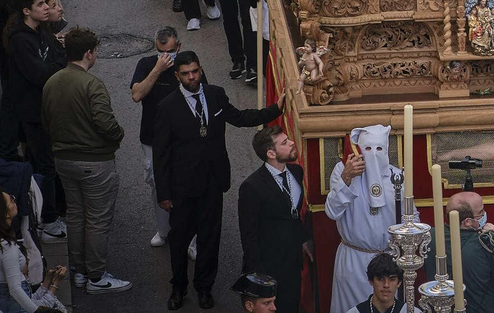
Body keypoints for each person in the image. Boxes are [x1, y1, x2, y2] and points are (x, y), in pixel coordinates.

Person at [153, 50, 284, 310]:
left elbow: (240, 117)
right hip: (181, 188)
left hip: (213, 183)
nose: (193, 77)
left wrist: (274, 110)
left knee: (210, 239)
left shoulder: (215, 95)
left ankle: (204, 288)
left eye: (196, 71)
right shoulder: (167, 107)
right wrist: (164, 194)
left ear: (200, 69)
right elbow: (161, 155)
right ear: (177, 76)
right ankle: (178, 288)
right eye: (187, 74)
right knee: (179, 242)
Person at [40, 27, 129, 294]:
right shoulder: (92, 84)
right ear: (89, 53)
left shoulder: (52, 81)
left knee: (76, 216)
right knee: (98, 220)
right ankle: (97, 276)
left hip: (63, 160)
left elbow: (46, 120)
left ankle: (79, 271)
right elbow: (105, 122)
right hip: (95, 162)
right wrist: (118, 135)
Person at [5, 0, 66, 238]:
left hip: (45, 109)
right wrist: (58, 64)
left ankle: (51, 212)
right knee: (45, 166)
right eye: (40, 5)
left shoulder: (40, 32)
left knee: (48, 163)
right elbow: (41, 74)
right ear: (26, 10)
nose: (46, 9)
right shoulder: (21, 40)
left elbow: (57, 57)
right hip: (32, 114)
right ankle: (47, 221)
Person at [326, 126, 402, 313]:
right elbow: (332, 212)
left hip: (388, 260)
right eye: (367, 149)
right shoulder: (342, 171)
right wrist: (347, 178)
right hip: (355, 260)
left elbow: (410, 214)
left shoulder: (397, 176)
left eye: (379, 149)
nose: (373, 154)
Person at [238, 127, 312, 313]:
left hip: (292, 262)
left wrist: (304, 240)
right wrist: (257, 273)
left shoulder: (296, 172)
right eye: (284, 143)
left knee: (291, 305)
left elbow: (292, 214)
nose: (292, 143)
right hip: (269, 266)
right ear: (271, 153)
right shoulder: (252, 187)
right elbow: (248, 234)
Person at [425, 191, 494, 311]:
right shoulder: (484, 243)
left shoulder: (430, 236)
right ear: (467, 222)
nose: (484, 214)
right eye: (481, 213)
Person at [131, 26, 187, 247]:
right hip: (152, 138)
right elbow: (137, 94)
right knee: (157, 183)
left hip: (181, 138)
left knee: (185, 183)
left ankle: (190, 236)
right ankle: (163, 230)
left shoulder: (186, 65)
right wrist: (157, 69)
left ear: (179, 47)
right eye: (161, 51)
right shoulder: (146, 65)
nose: (166, 57)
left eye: (171, 52)